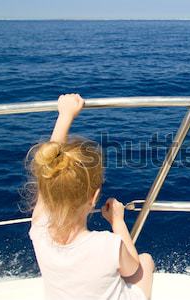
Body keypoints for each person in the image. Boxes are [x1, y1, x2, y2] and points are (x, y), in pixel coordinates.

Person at [28, 94, 154, 300]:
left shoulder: (39, 228)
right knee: (146, 262)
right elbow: (132, 269)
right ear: (94, 196)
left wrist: (64, 117)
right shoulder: (108, 244)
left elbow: (47, 170)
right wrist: (118, 222)